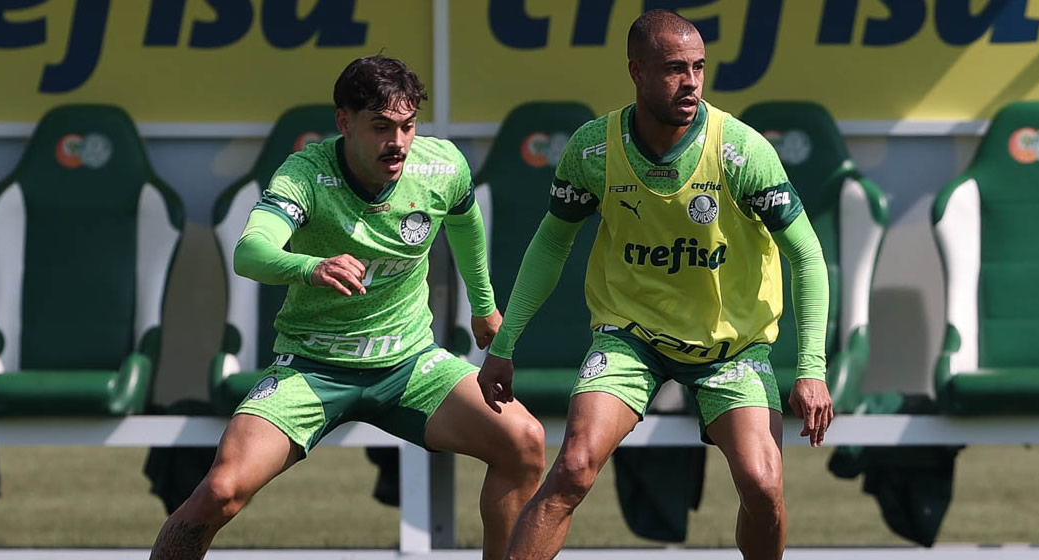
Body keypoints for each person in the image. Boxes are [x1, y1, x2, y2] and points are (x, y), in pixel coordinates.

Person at [149, 55, 545, 560]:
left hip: (408, 364)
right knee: (221, 491)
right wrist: (310, 267)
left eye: (407, 126)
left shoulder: (441, 166)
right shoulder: (307, 174)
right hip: (313, 368)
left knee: (524, 442)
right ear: (344, 122)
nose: (397, 143)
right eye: (381, 127)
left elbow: (464, 221)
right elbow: (249, 252)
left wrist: (483, 305)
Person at [477, 9, 833, 559]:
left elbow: (807, 256)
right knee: (572, 468)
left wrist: (811, 369)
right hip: (630, 337)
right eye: (674, 69)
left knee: (763, 487)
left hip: (730, 347)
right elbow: (552, 244)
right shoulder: (593, 150)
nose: (690, 82)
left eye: (698, 67)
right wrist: (505, 344)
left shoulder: (741, 150)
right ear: (636, 72)